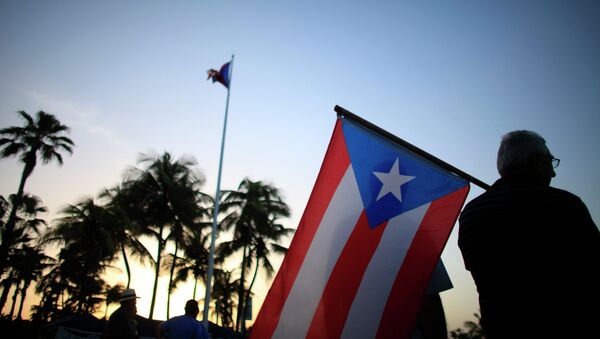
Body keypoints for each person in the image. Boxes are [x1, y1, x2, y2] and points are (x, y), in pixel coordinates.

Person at [458, 130, 600, 338]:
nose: (553, 173)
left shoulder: (471, 213)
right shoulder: (565, 205)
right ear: (537, 161)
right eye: (551, 161)